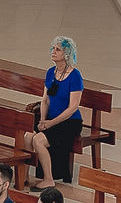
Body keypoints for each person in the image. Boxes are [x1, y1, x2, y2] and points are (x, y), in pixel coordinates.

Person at [22, 37, 90, 190]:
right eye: (53, 48)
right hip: (50, 119)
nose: (53, 52)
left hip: (69, 122)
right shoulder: (51, 72)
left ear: (67, 54)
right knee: (28, 136)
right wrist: (43, 120)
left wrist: (50, 123)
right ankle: (24, 176)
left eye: (57, 49)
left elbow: (73, 107)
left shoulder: (75, 76)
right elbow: (45, 100)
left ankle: (48, 179)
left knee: (38, 140)